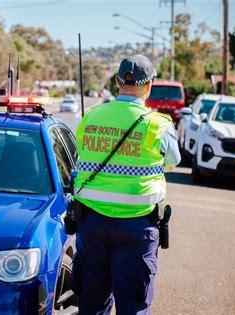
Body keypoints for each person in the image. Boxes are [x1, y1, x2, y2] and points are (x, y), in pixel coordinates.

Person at [71, 54, 181, 315]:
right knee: (133, 306)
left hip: (91, 224)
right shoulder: (158, 124)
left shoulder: (91, 117)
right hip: (137, 227)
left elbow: (81, 156)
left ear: (118, 81)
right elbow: (173, 161)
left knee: (92, 304)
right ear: (150, 84)